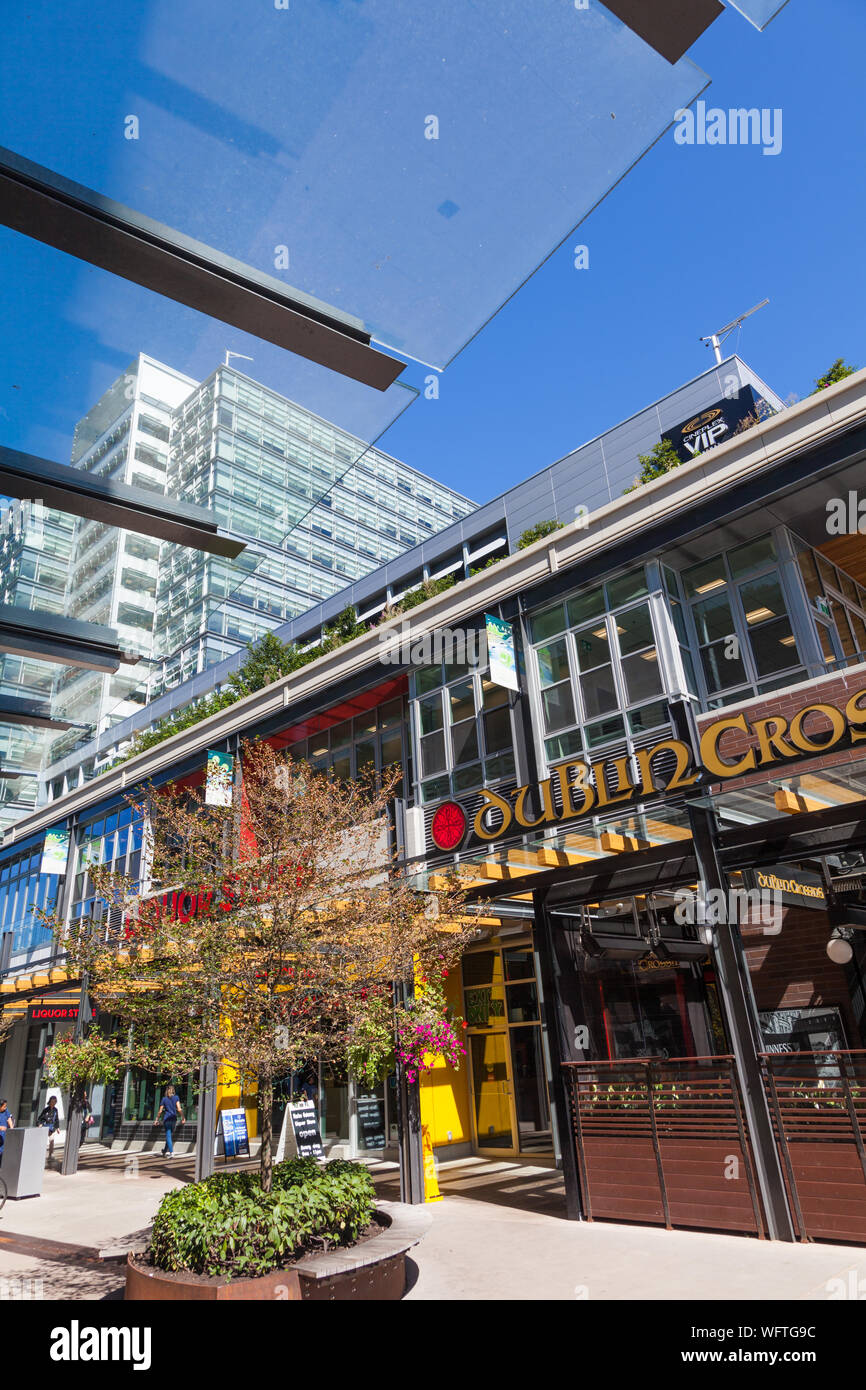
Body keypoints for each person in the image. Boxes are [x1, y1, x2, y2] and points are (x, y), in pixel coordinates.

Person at [156, 1085, 184, 1158]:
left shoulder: (164, 1099)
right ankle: (165, 1151)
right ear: (173, 1090)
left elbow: (160, 1111)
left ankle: (171, 1152)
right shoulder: (176, 1097)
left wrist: (157, 1119)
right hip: (173, 1119)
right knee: (169, 1136)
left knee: (168, 1136)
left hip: (167, 1119)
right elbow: (179, 1108)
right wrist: (183, 1117)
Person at [36, 1095, 61, 1162]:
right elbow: (40, 1118)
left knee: (51, 1141)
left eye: (54, 1102)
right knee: (42, 1142)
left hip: (52, 1128)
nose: (53, 1103)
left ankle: (50, 1155)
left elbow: (56, 1119)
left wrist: (58, 1127)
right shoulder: (45, 1110)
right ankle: (40, 1154)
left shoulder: (56, 1110)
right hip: (45, 1128)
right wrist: (40, 1124)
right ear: (50, 1102)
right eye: (52, 1101)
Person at [0, 1099, 14, 1165]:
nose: (5, 1108)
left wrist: (11, 1128)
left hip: (3, 1136)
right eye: (4, 1106)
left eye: (6, 1106)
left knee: (2, 1152)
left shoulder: (6, 1110)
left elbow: (9, 1119)